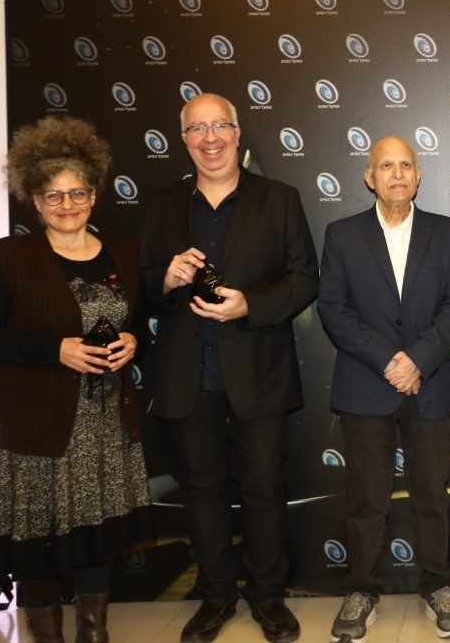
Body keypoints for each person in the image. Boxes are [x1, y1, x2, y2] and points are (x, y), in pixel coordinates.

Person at [141, 94, 318, 643]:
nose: (210, 138)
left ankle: (268, 598)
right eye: (197, 129)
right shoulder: (161, 205)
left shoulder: (279, 199)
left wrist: (250, 305)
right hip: (187, 377)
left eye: (220, 126)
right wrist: (165, 279)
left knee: (264, 490)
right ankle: (216, 598)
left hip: (258, 373)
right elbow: (137, 287)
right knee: (203, 492)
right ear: (184, 140)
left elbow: (304, 279)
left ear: (238, 134)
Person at [0, 116, 149, 642]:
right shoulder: (11, 257)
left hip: (106, 423)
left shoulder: (123, 252)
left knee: (96, 535)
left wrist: (134, 340)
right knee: (38, 539)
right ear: (35, 201)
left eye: (77, 192)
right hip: (37, 425)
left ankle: (93, 634)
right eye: (52, 195)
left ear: (94, 195)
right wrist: (53, 350)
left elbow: (139, 319)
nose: (67, 204)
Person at [318, 136, 450, 641]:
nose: (398, 174)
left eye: (406, 165)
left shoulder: (447, 233)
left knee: (432, 496)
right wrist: (389, 360)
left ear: (418, 175)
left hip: (430, 385)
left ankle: (438, 585)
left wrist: (418, 360)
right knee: (367, 500)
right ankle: (361, 590)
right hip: (367, 386)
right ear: (370, 177)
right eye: (386, 165)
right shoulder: (342, 234)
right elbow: (333, 309)